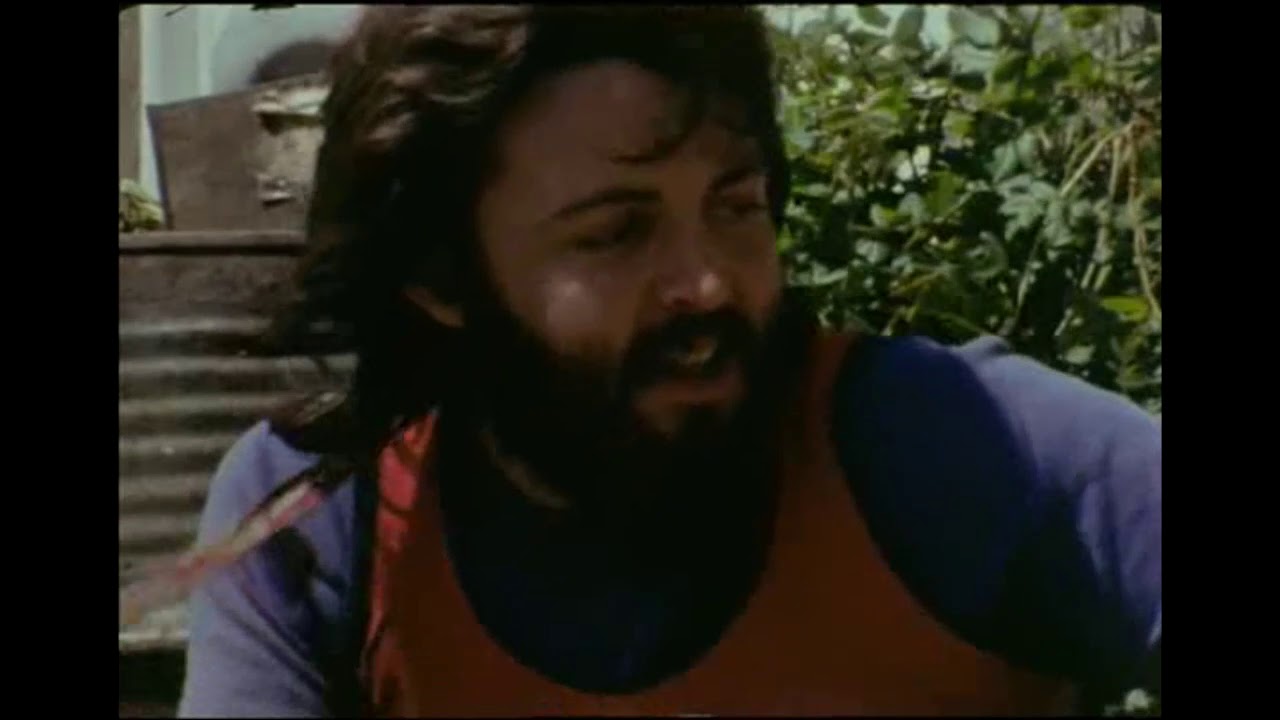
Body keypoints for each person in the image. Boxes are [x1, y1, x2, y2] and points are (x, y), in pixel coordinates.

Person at [177, 6, 1161, 717]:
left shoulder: (944, 445)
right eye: (616, 232)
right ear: (440, 276)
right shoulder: (322, 521)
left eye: (735, 207)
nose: (708, 284)